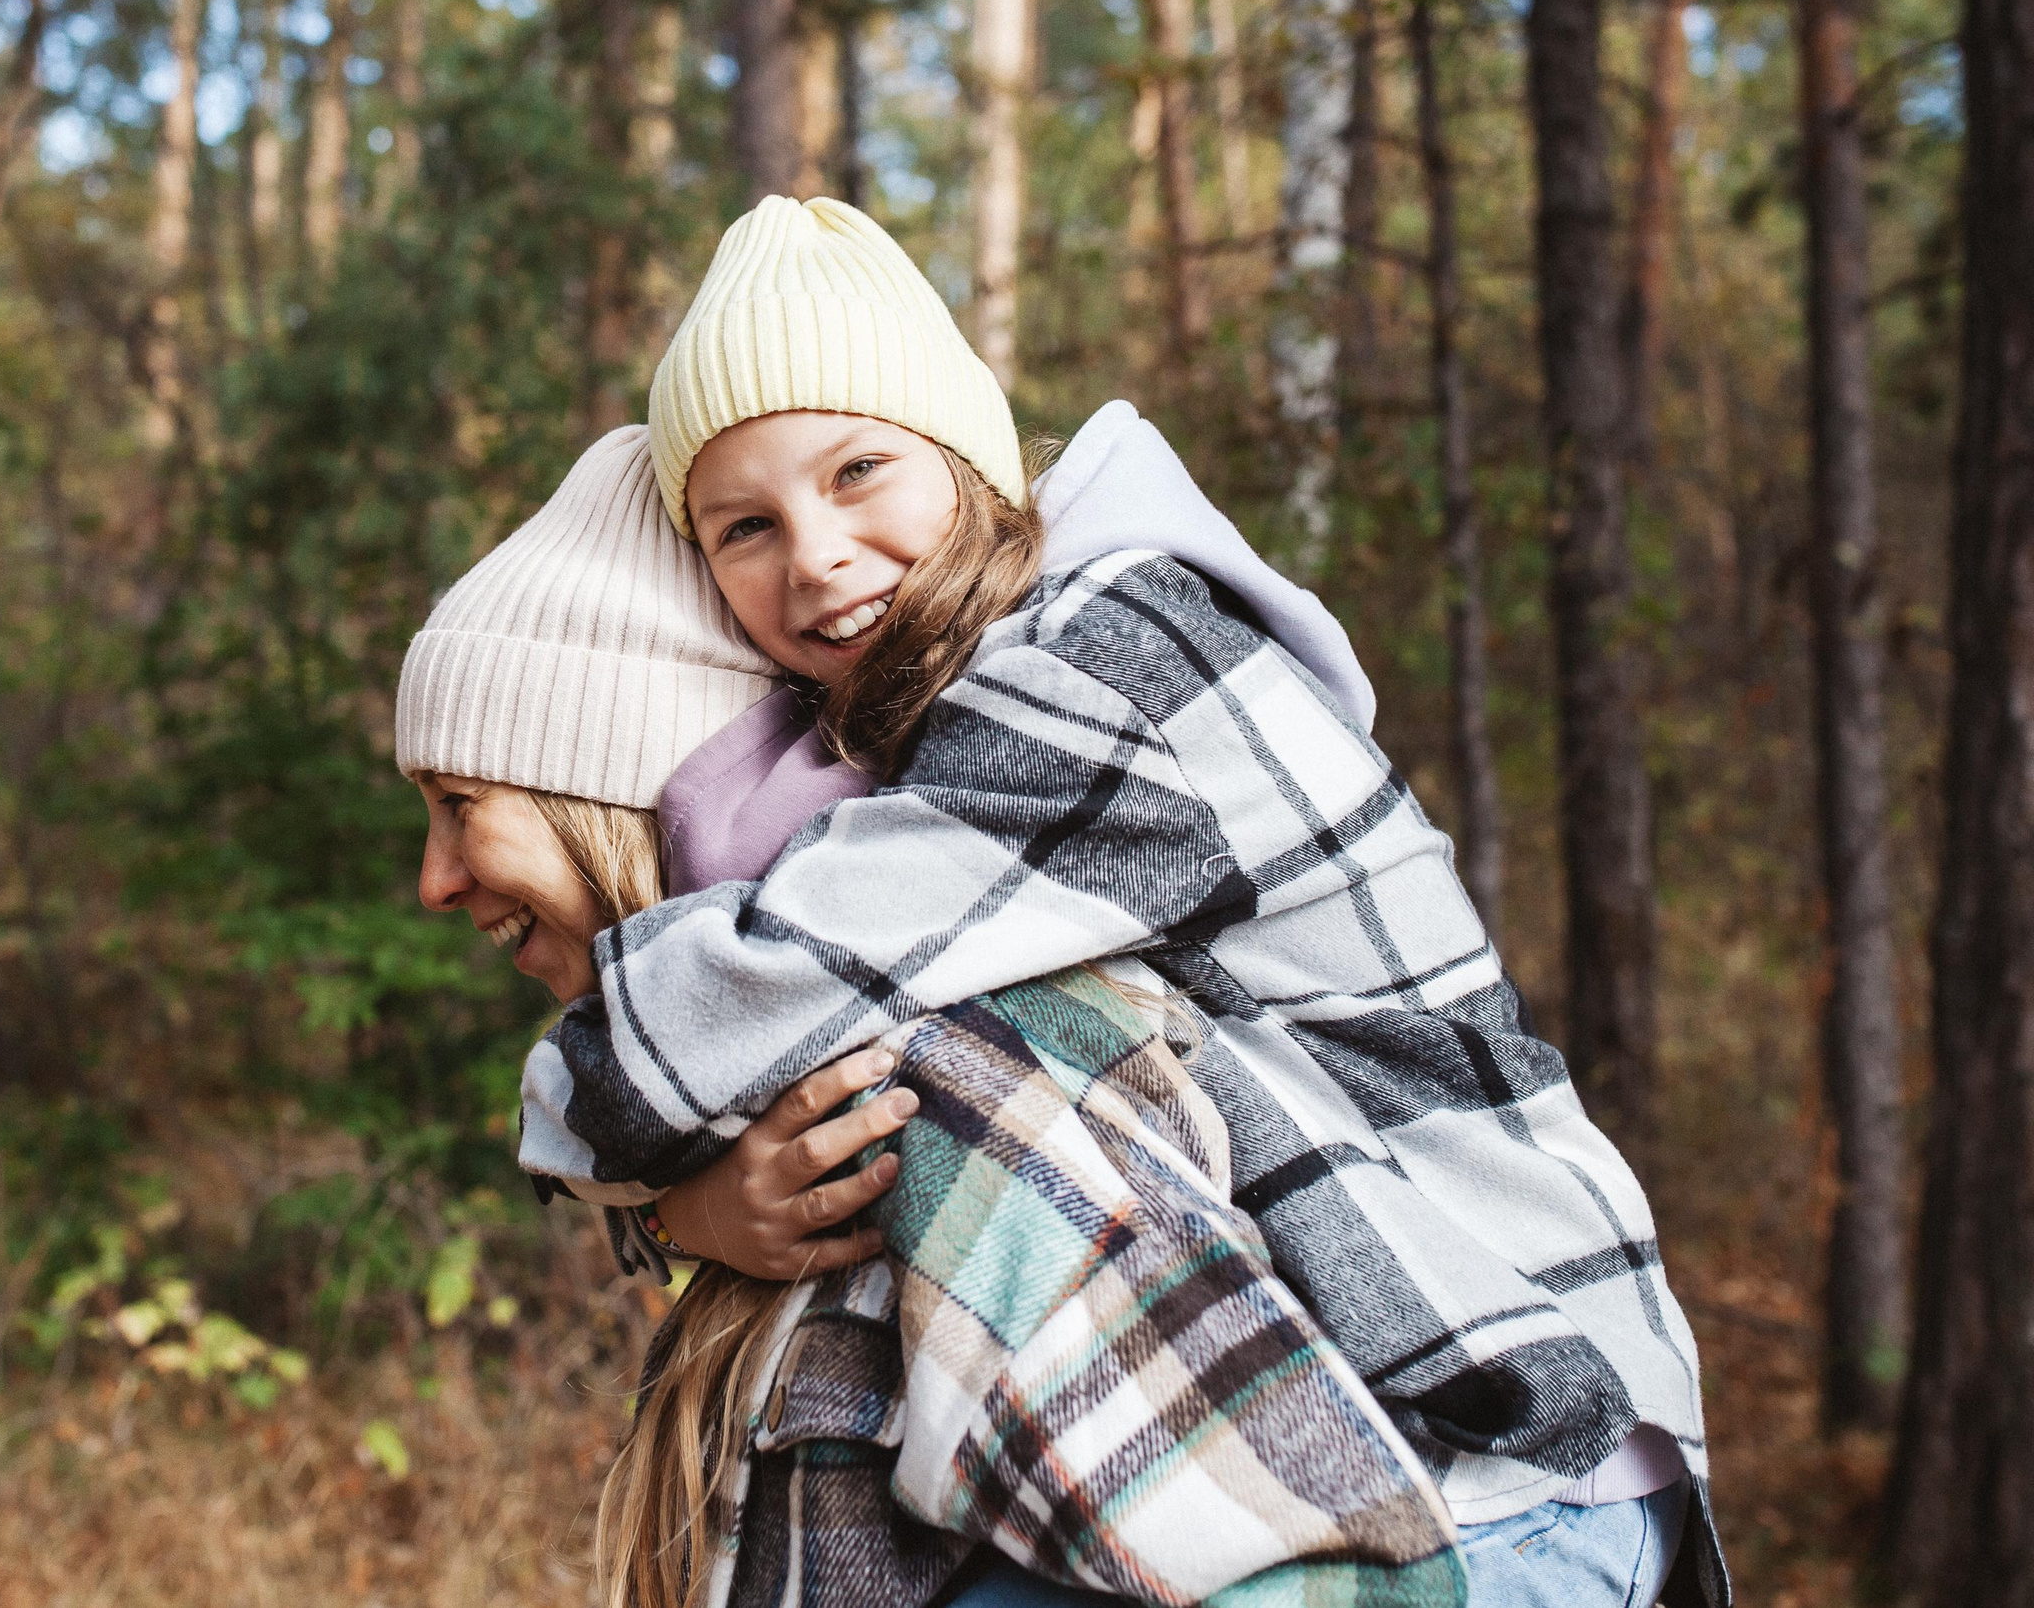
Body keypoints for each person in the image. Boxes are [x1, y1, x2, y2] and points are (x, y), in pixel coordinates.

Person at [517, 196, 1727, 1608]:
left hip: (1500, 1448)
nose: (816, 554)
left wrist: (581, 1130)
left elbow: (772, 989)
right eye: (744, 528)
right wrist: (677, 1216)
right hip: (1368, 1438)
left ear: (967, 457)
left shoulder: (1112, 660)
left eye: (858, 471)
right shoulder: (962, 712)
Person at [396, 426, 1465, 1608]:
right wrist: (677, 1206)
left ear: (598, 793)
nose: (435, 879)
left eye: (460, 803)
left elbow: (1300, 1563)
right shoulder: (800, 1105)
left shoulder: (936, 1068)